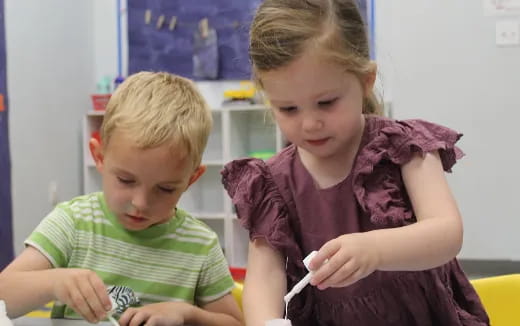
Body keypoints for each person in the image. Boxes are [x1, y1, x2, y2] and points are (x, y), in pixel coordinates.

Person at [221, 1, 489, 325]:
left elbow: (447, 233)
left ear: (366, 80)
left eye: (326, 102)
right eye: (288, 109)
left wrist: (375, 249)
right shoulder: (271, 183)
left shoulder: (403, 148)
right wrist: (266, 322)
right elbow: (264, 278)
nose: (309, 124)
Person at [0, 72, 243, 326]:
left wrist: (187, 314)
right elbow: (4, 295)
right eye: (126, 181)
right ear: (100, 157)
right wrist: (56, 281)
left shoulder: (201, 246)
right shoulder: (72, 223)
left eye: (165, 189)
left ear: (191, 179)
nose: (140, 202)